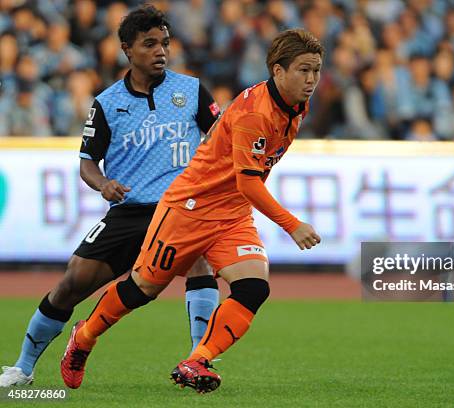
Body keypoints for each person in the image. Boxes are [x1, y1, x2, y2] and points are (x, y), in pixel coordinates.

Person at [60, 28, 324, 394]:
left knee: (253, 287)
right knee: (143, 289)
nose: (311, 80)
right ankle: (84, 337)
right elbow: (249, 183)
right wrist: (291, 224)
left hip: (231, 214)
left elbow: (245, 185)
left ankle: (197, 359)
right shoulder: (255, 114)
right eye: (303, 70)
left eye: (316, 70)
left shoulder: (296, 104)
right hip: (189, 208)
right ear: (278, 72)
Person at [0, 5, 220, 387]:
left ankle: (198, 360)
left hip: (179, 208)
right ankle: (23, 368)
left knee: (200, 262)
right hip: (130, 212)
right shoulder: (107, 103)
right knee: (72, 282)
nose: (160, 51)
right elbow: (87, 163)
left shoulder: (191, 90)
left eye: (165, 43)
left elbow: (220, 139)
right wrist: (103, 184)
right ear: (126, 49)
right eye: (149, 44)